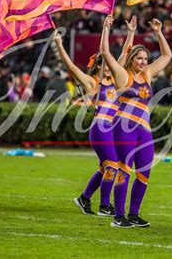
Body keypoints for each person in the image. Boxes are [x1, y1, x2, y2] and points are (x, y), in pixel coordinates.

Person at [56, 16, 137, 216]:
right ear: (98, 66)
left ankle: (84, 199)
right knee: (112, 167)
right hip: (100, 128)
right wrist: (59, 44)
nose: (109, 67)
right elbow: (73, 68)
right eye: (105, 65)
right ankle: (104, 206)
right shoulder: (93, 83)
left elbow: (125, 56)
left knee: (105, 168)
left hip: (113, 129)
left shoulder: (117, 81)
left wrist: (131, 33)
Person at [101, 15, 172, 228]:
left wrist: (159, 32)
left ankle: (133, 214)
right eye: (139, 58)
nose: (143, 62)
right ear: (131, 58)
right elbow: (105, 53)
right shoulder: (122, 75)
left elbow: (167, 55)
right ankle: (118, 216)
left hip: (144, 130)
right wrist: (106, 28)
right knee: (124, 169)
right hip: (124, 128)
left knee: (144, 172)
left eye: (145, 58)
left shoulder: (148, 74)